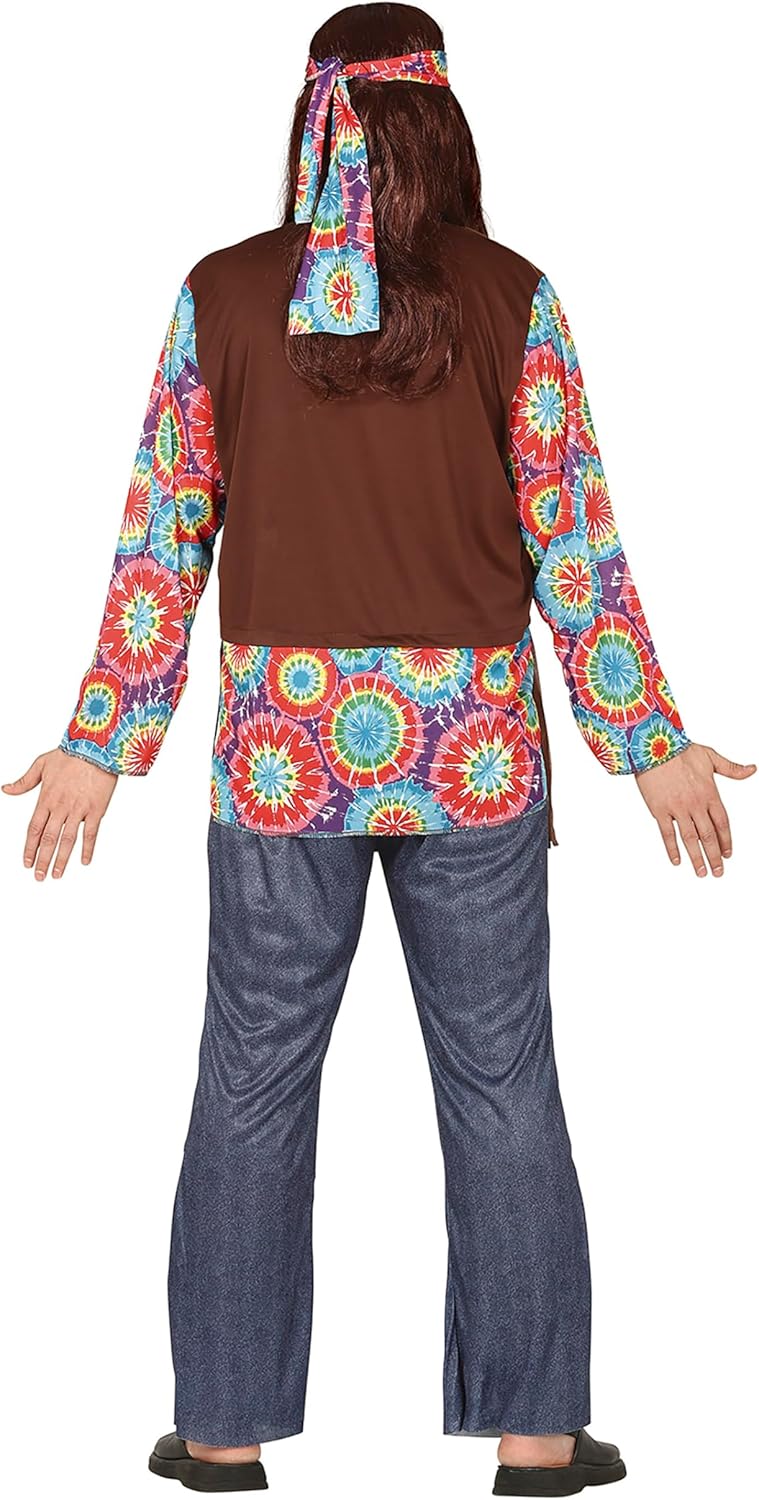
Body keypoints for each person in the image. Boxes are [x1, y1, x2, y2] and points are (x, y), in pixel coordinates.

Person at [4, 4, 755, 1495]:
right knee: (502, 1080)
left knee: (252, 1079)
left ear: (311, 121)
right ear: (442, 123)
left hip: (282, 753)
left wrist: (104, 737)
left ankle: (222, 1434)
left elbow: (164, 537)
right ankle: (537, 1438)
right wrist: (645, 741)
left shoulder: (223, 293)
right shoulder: (511, 293)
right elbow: (574, 539)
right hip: (474, 752)